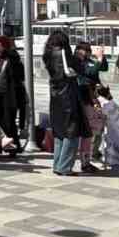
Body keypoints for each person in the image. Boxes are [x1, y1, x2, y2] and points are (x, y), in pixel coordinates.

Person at [42, 32, 89, 175]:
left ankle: (57, 165)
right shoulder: (66, 55)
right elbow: (81, 70)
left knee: (60, 133)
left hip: (55, 96)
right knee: (72, 132)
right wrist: (80, 58)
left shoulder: (48, 55)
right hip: (69, 96)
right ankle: (65, 167)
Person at [0, 36, 27, 154]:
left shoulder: (12, 59)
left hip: (9, 95)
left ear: (3, 45)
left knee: (9, 121)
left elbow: (19, 75)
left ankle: (12, 147)